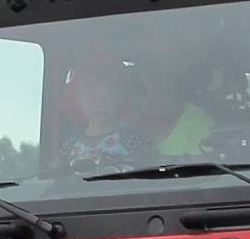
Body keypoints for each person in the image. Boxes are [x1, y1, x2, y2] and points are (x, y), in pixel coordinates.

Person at [60, 54, 215, 170]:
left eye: (108, 96)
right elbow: (51, 177)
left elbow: (153, 172)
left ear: (120, 98)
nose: (99, 103)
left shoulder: (133, 139)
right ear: (77, 101)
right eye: (91, 96)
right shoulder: (70, 145)